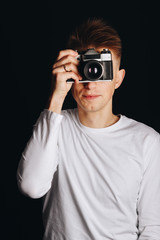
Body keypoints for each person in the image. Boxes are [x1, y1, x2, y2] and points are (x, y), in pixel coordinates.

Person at [17, 18, 160, 240]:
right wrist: (57, 96)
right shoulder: (54, 126)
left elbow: (154, 229)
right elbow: (31, 187)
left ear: (119, 79)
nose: (91, 84)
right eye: (85, 69)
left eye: (101, 70)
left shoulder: (147, 141)